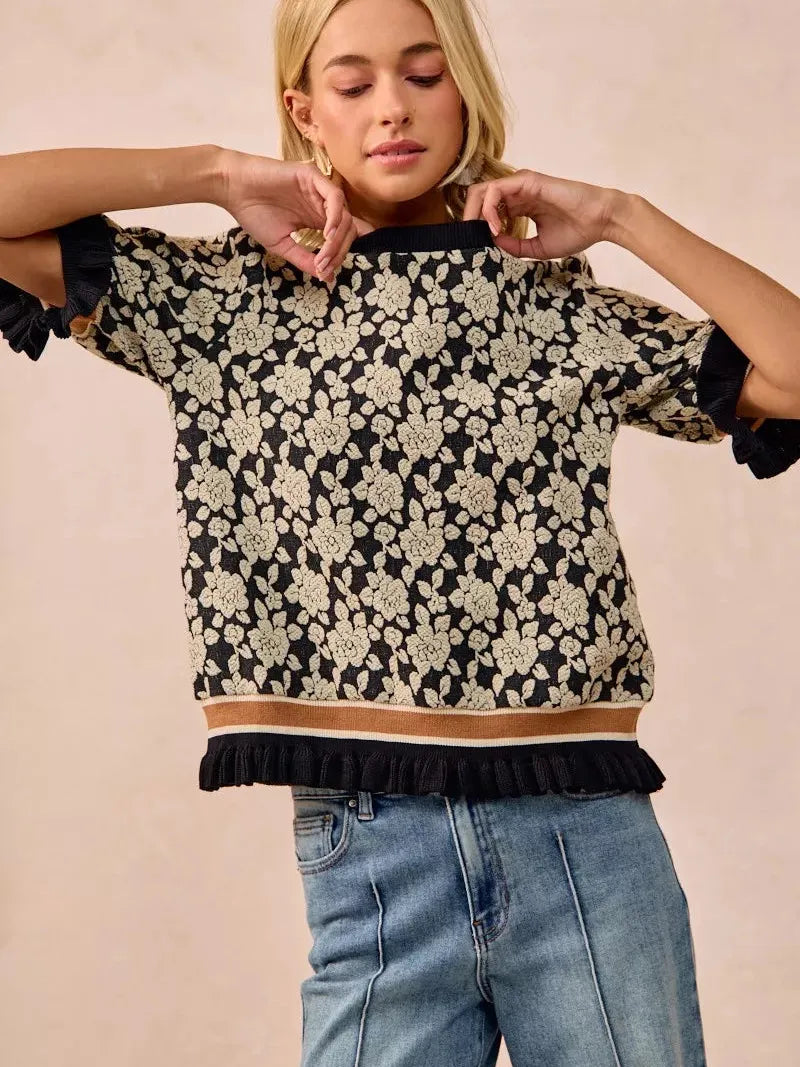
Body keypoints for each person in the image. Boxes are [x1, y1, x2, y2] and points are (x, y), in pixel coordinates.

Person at [2, 0, 799, 1064]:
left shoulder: (547, 299)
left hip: (583, 831)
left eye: (425, 75)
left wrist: (620, 215)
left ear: (465, 89)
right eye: (353, 83)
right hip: (370, 843)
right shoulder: (221, 297)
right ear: (305, 111)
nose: (393, 108)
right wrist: (214, 172)